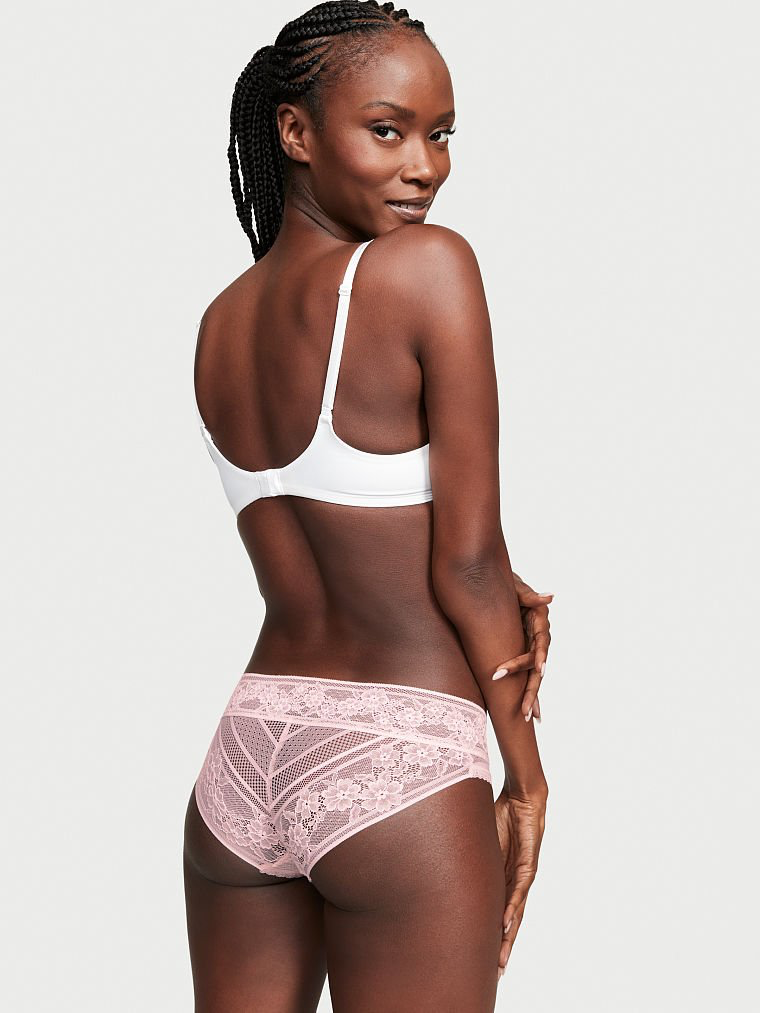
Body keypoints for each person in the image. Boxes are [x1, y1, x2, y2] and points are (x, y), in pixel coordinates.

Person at [184, 3, 551, 1010]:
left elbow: (340, 526)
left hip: (244, 758)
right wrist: (524, 776)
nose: (424, 167)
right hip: (400, 760)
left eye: (441, 135)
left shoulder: (221, 321)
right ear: (295, 132)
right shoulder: (427, 268)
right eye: (387, 131)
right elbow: (466, 565)